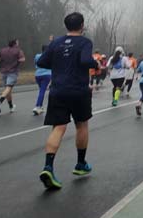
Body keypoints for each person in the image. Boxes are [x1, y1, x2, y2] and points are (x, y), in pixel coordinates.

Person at [36, 12, 98, 190]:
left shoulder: (56, 42)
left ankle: (48, 167)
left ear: (66, 26)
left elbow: (42, 62)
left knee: (59, 127)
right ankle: (80, 164)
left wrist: (59, 65)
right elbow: (86, 60)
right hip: (78, 91)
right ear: (82, 26)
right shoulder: (85, 42)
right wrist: (96, 65)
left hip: (58, 90)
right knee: (81, 125)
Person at [0, 38, 26, 114]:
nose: (18, 44)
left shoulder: (2, 50)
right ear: (15, 43)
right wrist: (16, 60)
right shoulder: (18, 50)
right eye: (17, 42)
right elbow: (23, 59)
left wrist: (1, 60)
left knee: (8, 90)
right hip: (13, 72)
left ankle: (11, 107)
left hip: (3, 72)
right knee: (8, 88)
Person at [33, 45, 52, 115]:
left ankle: (40, 106)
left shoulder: (37, 56)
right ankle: (37, 106)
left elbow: (35, 63)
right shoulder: (50, 56)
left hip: (37, 75)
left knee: (41, 91)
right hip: (47, 75)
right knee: (42, 91)